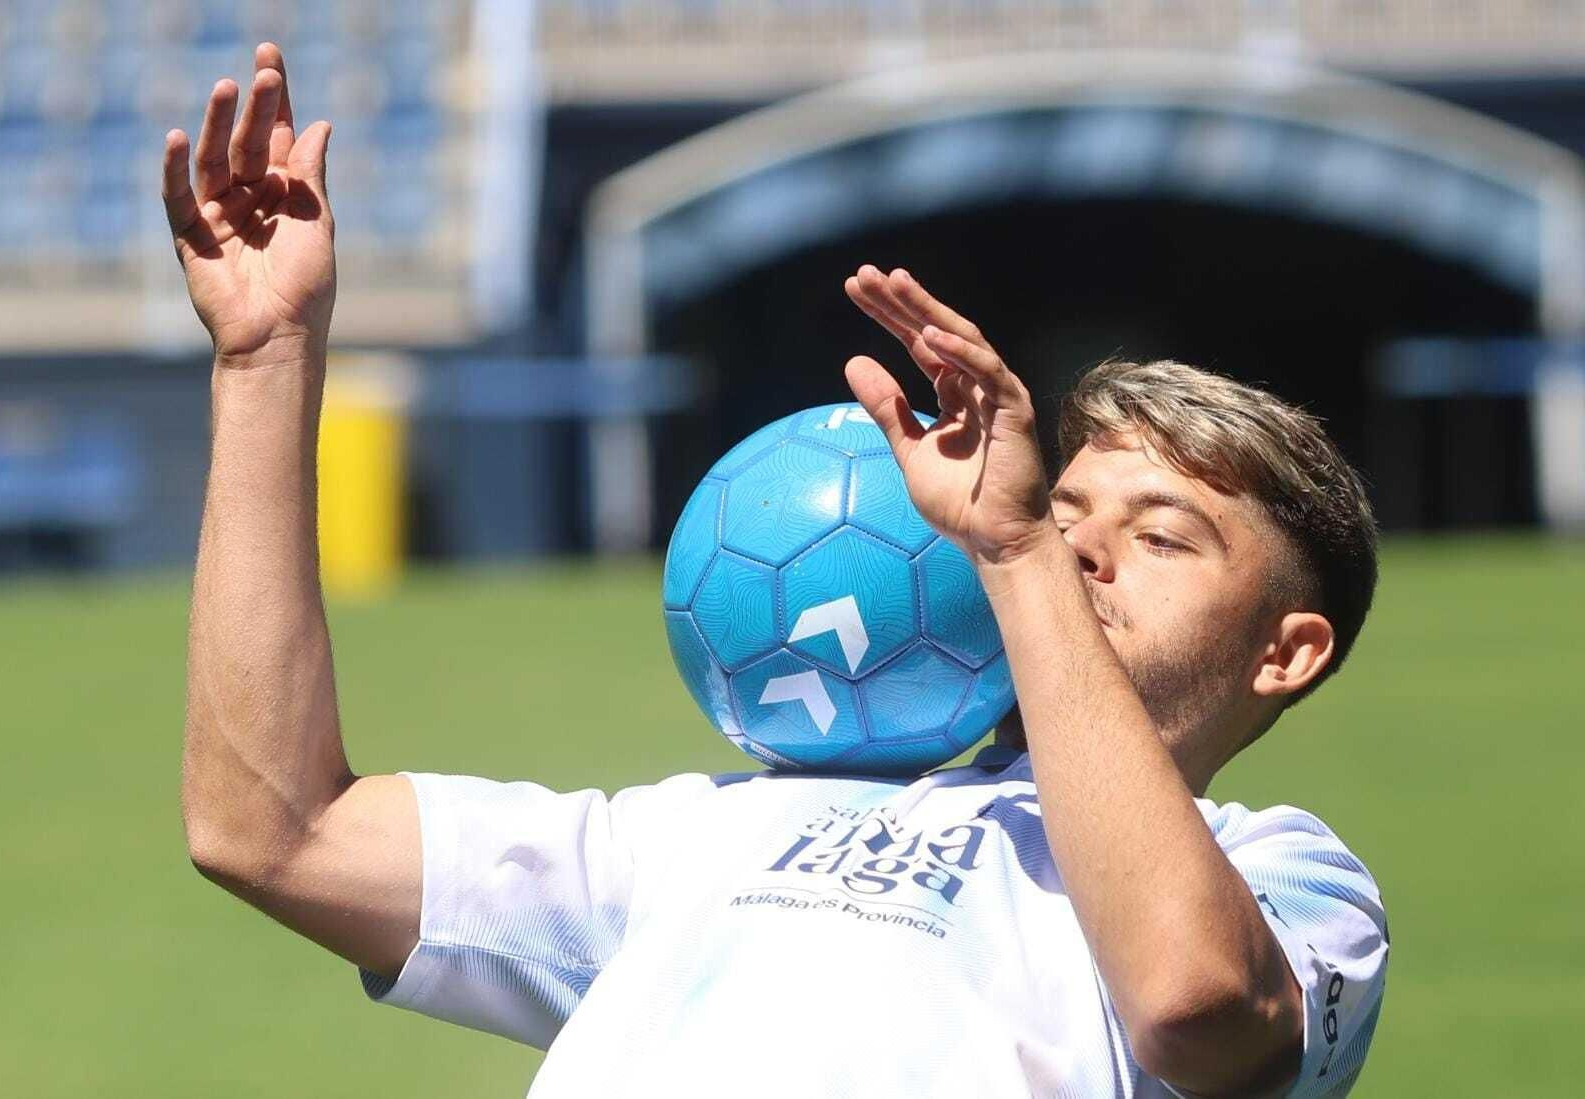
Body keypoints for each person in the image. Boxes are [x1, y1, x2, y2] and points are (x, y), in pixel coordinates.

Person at [171, 45, 1388, 1098]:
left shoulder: (1286, 876)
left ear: (1285, 651)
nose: (1081, 546)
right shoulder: (734, 819)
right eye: (1062, 509)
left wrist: (1016, 551)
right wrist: (266, 361)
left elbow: (1190, 1004)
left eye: (1162, 535)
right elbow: (273, 829)